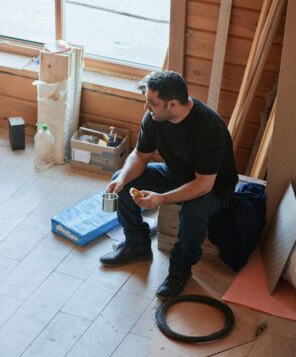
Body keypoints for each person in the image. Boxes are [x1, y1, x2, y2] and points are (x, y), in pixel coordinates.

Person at [99, 71, 238, 299]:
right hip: (176, 174)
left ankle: (180, 271)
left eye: (152, 103)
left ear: (172, 104)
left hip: (213, 186)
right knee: (121, 179)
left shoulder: (208, 128)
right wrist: (122, 179)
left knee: (193, 211)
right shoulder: (155, 117)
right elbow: (140, 155)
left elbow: (204, 184)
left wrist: (161, 199)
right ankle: (137, 245)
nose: (146, 107)